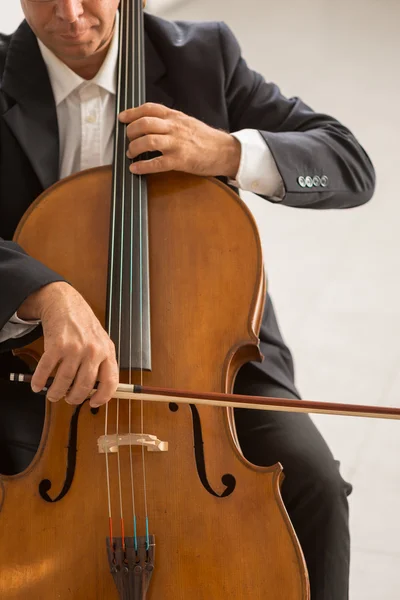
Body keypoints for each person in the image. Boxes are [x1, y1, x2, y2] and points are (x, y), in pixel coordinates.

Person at [0, 1, 375, 598]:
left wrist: (229, 152)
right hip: (41, 369)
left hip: (210, 356)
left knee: (313, 485)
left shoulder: (202, 56)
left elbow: (350, 164)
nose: (69, 14)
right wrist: (40, 290)